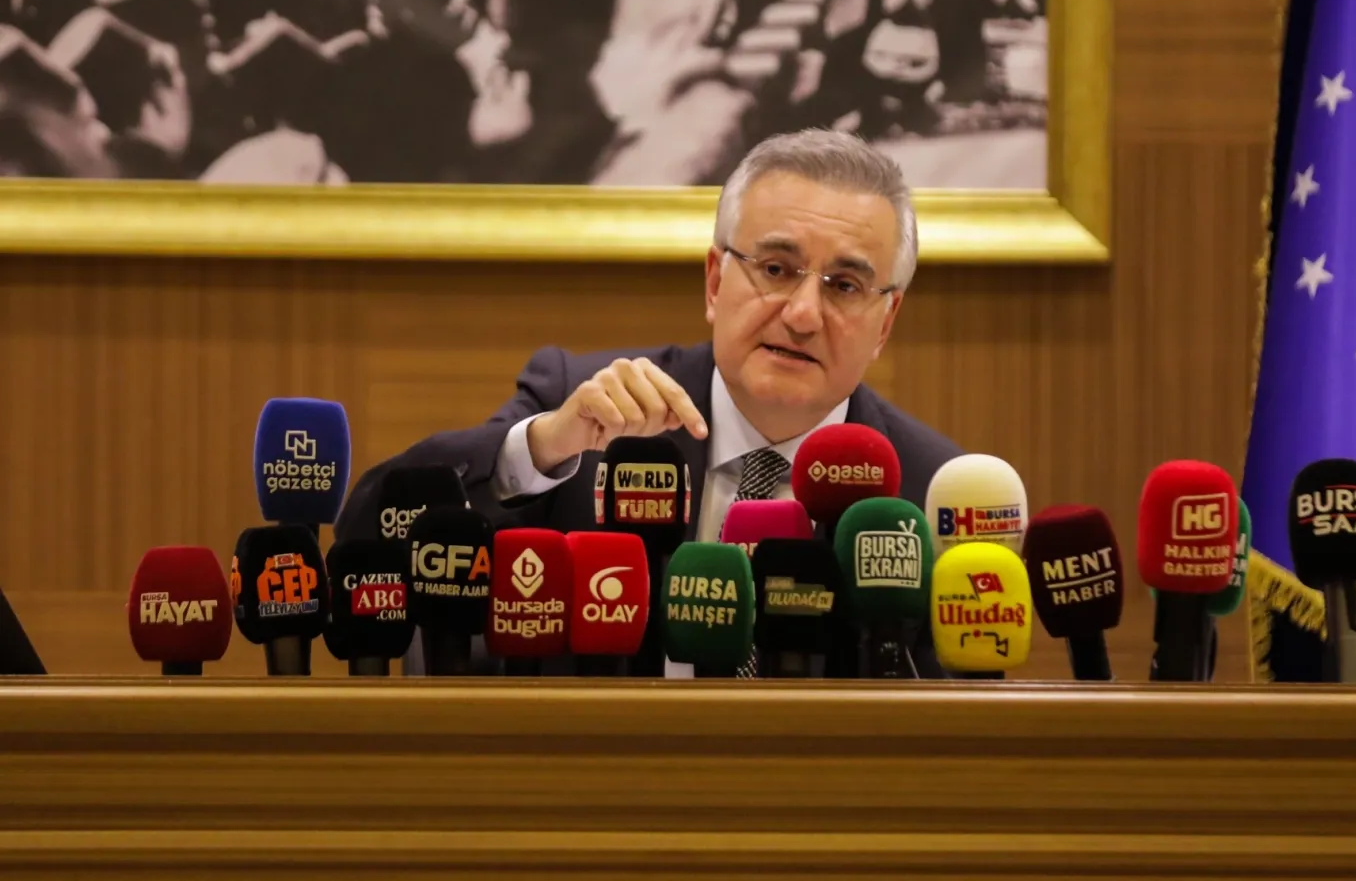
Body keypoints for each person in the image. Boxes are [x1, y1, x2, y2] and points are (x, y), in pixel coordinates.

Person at [336, 128, 963, 675]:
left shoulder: (932, 495)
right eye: (775, 269)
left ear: (885, 323)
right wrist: (545, 448)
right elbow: (366, 531)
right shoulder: (579, 413)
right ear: (715, 283)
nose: (802, 314)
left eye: (845, 286)